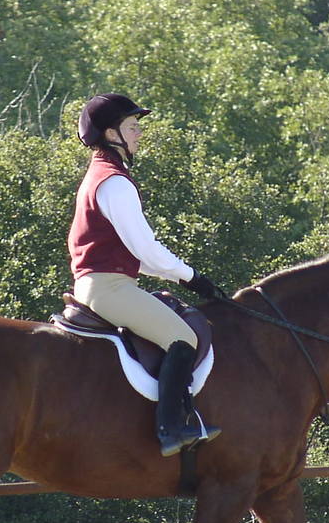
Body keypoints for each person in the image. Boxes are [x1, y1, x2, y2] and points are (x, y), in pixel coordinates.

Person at [68, 93, 221, 457]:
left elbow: (139, 256)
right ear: (111, 133)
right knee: (182, 338)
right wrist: (193, 277)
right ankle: (171, 430)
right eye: (132, 127)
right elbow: (146, 248)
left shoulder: (101, 175)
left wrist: (181, 277)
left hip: (102, 283)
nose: (139, 134)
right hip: (108, 288)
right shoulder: (114, 182)